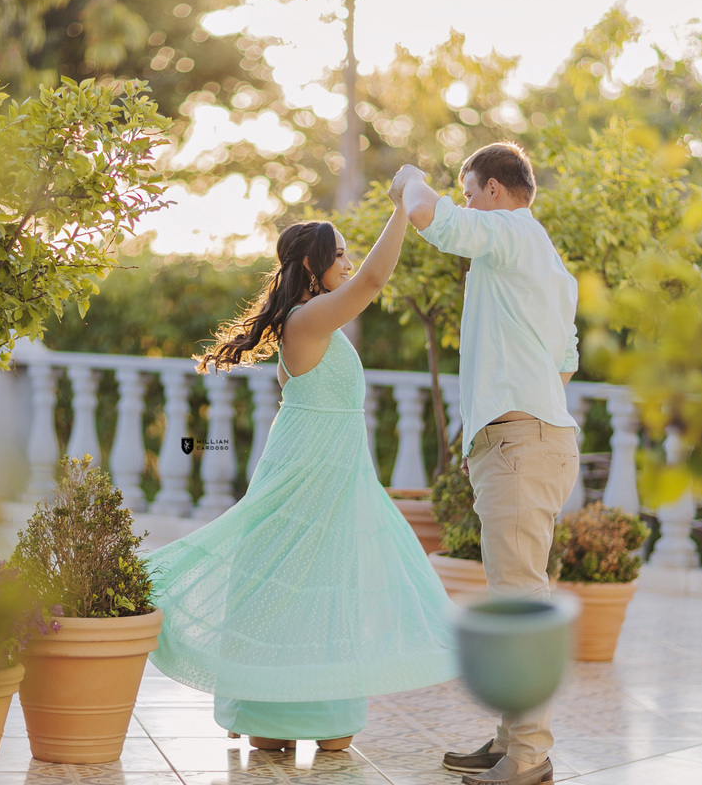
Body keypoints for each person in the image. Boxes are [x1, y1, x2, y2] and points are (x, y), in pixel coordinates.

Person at [145, 186, 456, 752]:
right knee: (288, 584)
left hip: (331, 475)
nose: (348, 262)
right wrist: (399, 209)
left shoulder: (315, 323)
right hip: (303, 474)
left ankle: (305, 707)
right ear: (313, 266)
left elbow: (361, 285)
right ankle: (269, 707)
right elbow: (372, 283)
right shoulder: (306, 321)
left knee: (325, 588)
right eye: (339, 254)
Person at [392, 142, 580, 785]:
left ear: (495, 191)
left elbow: (429, 216)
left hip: (520, 443)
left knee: (520, 600)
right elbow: (563, 365)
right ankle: (510, 739)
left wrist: (413, 178)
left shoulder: (506, 232)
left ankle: (528, 756)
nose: (467, 200)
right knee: (515, 596)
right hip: (533, 439)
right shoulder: (551, 265)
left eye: (471, 190)